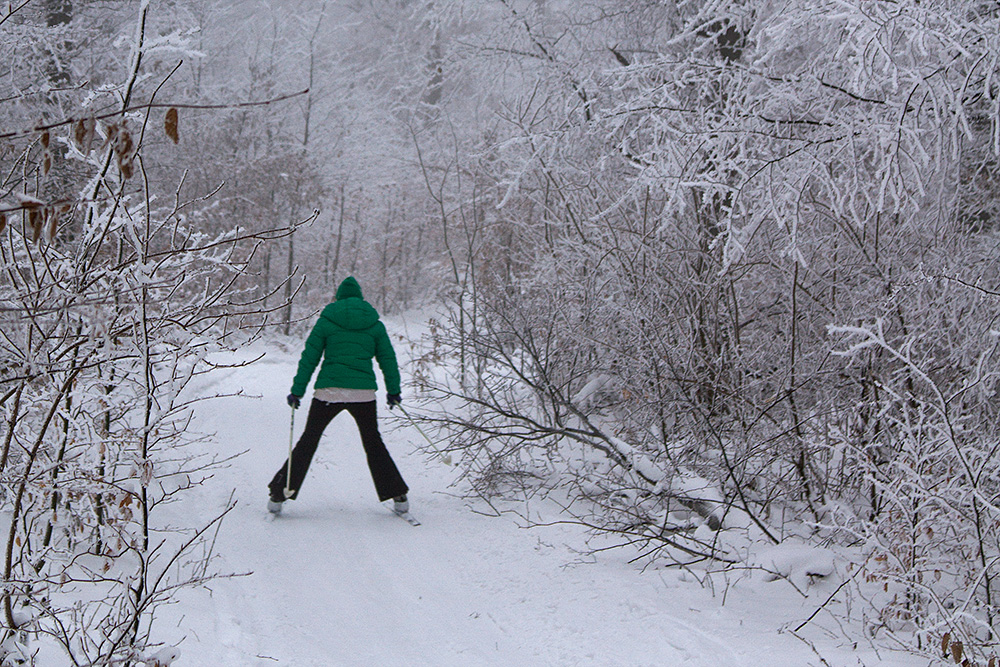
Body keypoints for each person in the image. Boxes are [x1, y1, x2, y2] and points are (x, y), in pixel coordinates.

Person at [268, 276, 409, 515]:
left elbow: (309, 359)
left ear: (338, 297)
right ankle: (399, 496)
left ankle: (278, 494)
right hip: (363, 394)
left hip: (328, 392)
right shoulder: (375, 324)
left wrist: (297, 391)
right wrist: (393, 390)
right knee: (373, 443)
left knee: (309, 440)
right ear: (361, 298)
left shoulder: (326, 322)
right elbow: (388, 360)